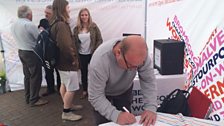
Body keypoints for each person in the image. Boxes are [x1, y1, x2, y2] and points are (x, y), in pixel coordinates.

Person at [88, 36, 157, 125]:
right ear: (118, 53)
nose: (134, 69)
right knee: (103, 122)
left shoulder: (141, 54)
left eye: (138, 65)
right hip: (103, 95)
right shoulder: (99, 61)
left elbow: (148, 80)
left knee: (127, 121)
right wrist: (116, 115)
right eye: (131, 65)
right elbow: (95, 96)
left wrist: (150, 107)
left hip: (124, 91)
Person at [49, 0, 82, 121]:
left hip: (61, 63)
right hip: (67, 63)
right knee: (72, 88)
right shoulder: (61, 25)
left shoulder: (54, 23)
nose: (69, 9)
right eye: (68, 7)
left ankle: (67, 105)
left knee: (64, 84)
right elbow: (65, 46)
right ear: (63, 8)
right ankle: (66, 112)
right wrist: (73, 60)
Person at [11, 5, 48, 106]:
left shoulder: (14, 24)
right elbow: (38, 38)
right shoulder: (29, 25)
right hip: (31, 52)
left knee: (27, 76)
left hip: (21, 51)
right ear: (28, 14)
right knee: (36, 75)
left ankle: (28, 97)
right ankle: (34, 99)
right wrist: (42, 31)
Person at [73, 8, 103, 99]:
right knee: (84, 73)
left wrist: (95, 50)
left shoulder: (93, 26)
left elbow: (99, 39)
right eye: (82, 15)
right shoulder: (76, 29)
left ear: (89, 16)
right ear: (80, 16)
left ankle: (95, 91)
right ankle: (85, 90)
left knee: (95, 73)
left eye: (86, 15)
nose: (84, 17)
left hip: (92, 54)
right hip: (81, 54)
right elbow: (74, 42)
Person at [38, 5, 61, 96]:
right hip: (46, 52)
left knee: (59, 71)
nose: (46, 14)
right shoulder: (43, 21)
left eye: (48, 13)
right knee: (48, 72)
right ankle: (50, 89)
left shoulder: (58, 22)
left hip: (57, 51)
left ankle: (60, 89)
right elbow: (40, 31)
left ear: (53, 13)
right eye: (45, 12)